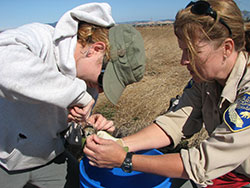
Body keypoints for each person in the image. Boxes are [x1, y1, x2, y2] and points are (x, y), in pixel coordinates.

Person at [84, 0, 250, 187]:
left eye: (192, 52)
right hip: (225, 171)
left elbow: (201, 164)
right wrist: (119, 144)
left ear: (226, 48)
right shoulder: (205, 80)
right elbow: (175, 122)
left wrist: (125, 160)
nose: (183, 61)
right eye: (182, 51)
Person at [0, 2, 146, 188]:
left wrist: (88, 128)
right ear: (96, 50)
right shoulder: (42, 38)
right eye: (104, 81)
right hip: (4, 161)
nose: (99, 90)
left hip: (50, 159)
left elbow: (64, 130)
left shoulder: (88, 83)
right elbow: (4, 64)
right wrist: (76, 96)